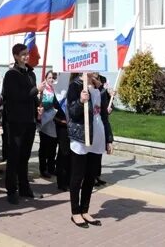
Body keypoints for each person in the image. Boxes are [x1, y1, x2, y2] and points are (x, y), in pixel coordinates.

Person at [66, 72, 114, 228]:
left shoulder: (99, 87)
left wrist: (109, 138)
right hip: (82, 138)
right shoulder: (75, 86)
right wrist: (81, 101)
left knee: (90, 176)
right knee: (77, 176)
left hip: (97, 138)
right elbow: (72, 112)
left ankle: (85, 210)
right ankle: (75, 212)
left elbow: (104, 116)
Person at [2, 44, 45, 205]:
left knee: (25, 157)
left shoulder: (31, 73)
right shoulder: (11, 75)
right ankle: (11, 190)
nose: (26, 57)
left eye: (27, 54)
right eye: (23, 54)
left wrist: (37, 107)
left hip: (29, 120)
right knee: (14, 157)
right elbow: (15, 96)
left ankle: (25, 187)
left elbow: (31, 97)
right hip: (15, 121)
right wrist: (36, 90)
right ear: (15, 56)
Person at [38, 70, 59, 178]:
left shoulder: (56, 89)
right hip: (45, 122)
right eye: (49, 77)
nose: (51, 80)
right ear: (46, 78)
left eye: (53, 78)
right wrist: (52, 104)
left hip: (54, 123)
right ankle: (43, 168)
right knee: (44, 147)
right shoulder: (43, 89)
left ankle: (51, 167)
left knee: (53, 147)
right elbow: (43, 104)